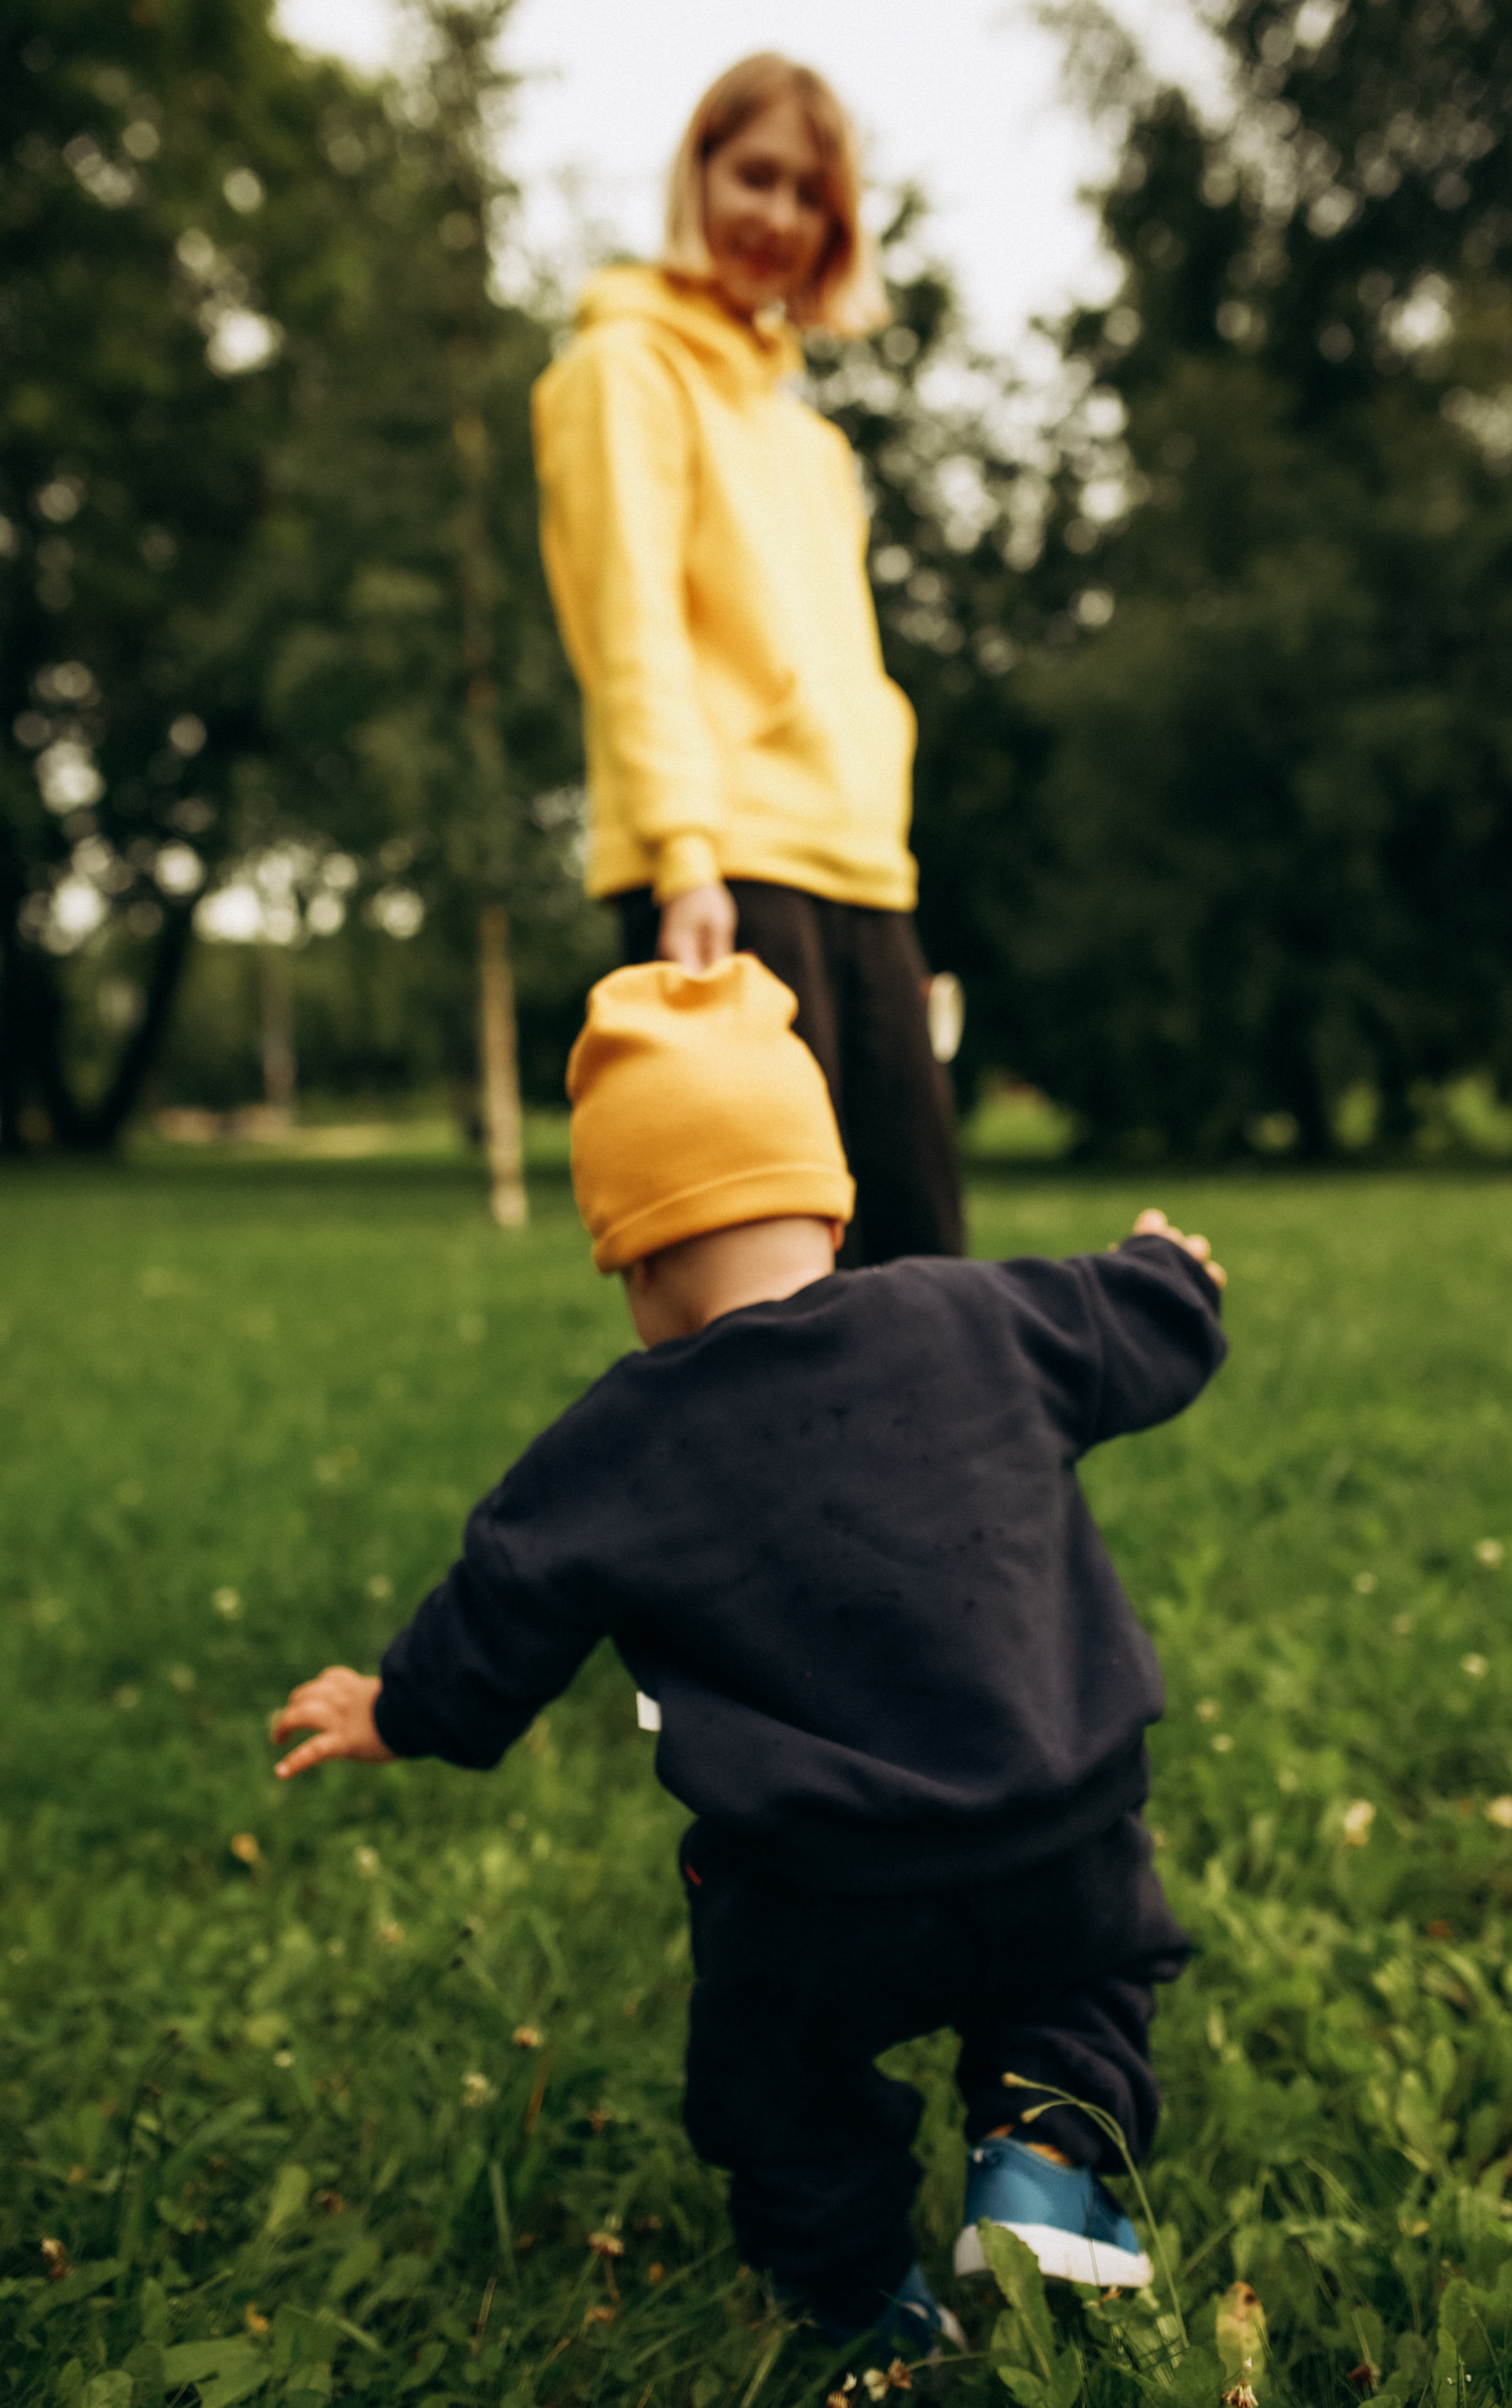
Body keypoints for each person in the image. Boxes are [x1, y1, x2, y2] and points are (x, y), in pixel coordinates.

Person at [270, 956, 1229, 2357]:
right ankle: (1043, 2155)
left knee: (778, 2088)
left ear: (636, 1258)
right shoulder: (983, 1315)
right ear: (830, 1205)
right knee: (1079, 1989)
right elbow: (1148, 1320)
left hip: (818, 1885)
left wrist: (397, 1710)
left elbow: (501, 1613)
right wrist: (1169, 1271)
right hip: (1058, 1828)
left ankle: (859, 2302)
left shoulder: (617, 1443)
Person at [532, 55, 965, 1269]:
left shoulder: (810, 438)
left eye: (810, 194)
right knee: (776, 1285)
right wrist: (683, 860)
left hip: (864, 872)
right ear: (697, 175)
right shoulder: (624, 368)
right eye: (754, 177)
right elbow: (634, 629)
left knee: (924, 1263)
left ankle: (945, 1472)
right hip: (725, 868)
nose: (777, 218)